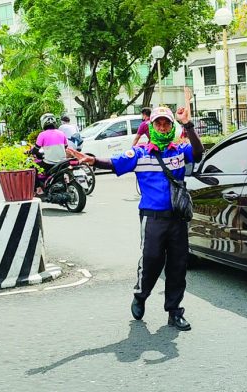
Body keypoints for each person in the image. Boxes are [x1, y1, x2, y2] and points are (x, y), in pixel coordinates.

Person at [67, 88, 203, 331]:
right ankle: (140, 295)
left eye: (166, 124)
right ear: (151, 127)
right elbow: (114, 163)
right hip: (152, 219)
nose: (162, 128)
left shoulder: (179, 152)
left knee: (178, 264)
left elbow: (199, 153)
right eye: (158, 124)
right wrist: (92, 160)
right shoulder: (140, 154)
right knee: (151, 260)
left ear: (171, 127)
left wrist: (188, 125)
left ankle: (174, 311)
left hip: (177, 219)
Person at [29, 113, 68, 192]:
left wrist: (30, 152)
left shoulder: (42, 135)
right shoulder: (61, 133)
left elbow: (36, 149)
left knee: (32, 166)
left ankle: (37, 188)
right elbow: (65, 146)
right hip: (63, 162)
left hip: (49, 164)